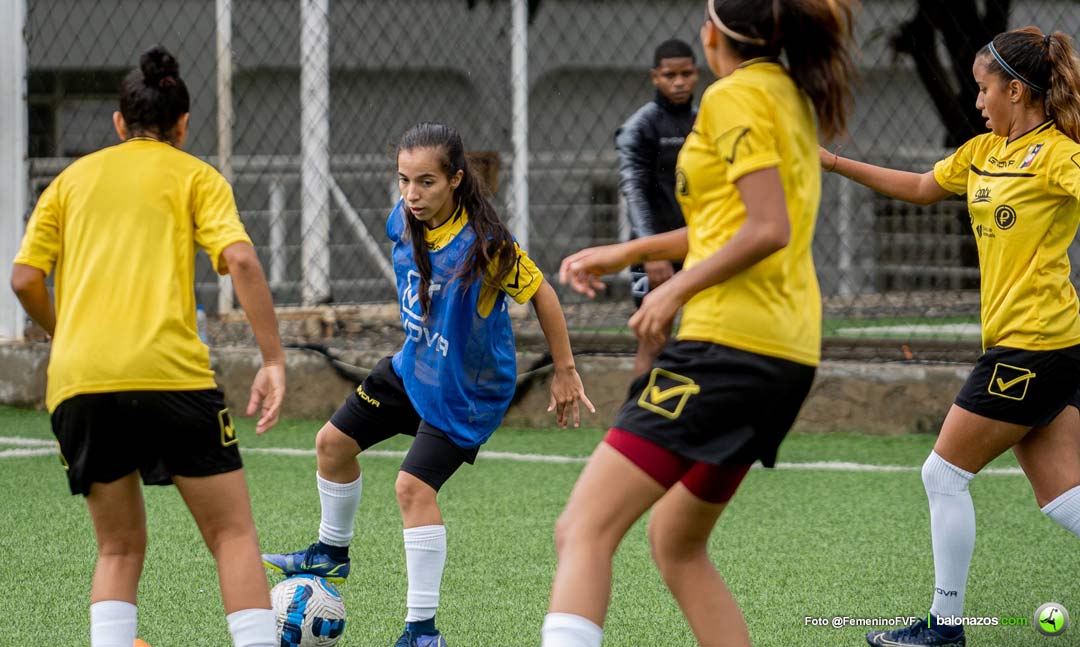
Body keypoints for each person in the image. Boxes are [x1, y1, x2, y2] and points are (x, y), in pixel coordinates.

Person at [542, 1, 856, 646]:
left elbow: (768, 228)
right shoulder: (787, 95)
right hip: (784, 355)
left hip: (727, 350)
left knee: (583, 529)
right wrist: (630, 250)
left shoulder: (731, 99)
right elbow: (729, 224)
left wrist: (671, 289)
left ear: (714, 36)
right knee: (676, 543)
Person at [262, 122, 594, 647]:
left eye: (426, 183)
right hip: (414, 367)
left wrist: (565, 369)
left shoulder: (484, 246)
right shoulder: (403, 221)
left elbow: (544, 295)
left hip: (465, 393)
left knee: (412, 487)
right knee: (331, 444)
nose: (412, 195)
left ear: (456, 180)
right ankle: (332, 552)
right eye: (403, 181)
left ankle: (421, 632)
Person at [9, 46, 286, 647]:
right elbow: (239, 258)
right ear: (183, 125)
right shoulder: (195, 176)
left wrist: (64, 332)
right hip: (172, 378)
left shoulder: (70, 182)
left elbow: (24, 279)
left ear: (118, 123)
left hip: (80, 382)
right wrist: (272, 359)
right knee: (233, 536)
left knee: (118, 547)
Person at [822, 26, 1080, 647]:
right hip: (1029, 347)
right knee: (1064, 497)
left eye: (984, 89)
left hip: (1035, 345)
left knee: (942, 473)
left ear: (1017, 92)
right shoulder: (980, 152)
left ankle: (945, 626)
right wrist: (827, 161)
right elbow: (918, 188)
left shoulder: (1061, 157)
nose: (978, 101)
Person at [615, 38, 700, 375]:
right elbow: (633, 191)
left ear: (696, 74)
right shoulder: (639, 127)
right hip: (655, 253)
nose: (678, 82)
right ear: (655, 77)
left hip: (700, 248)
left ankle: (692, 419)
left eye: (686, 74)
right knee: (654, 336)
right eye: (669, 75)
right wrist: (652, 252)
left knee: (703, 338)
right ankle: (635, 422)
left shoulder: (704, 120)